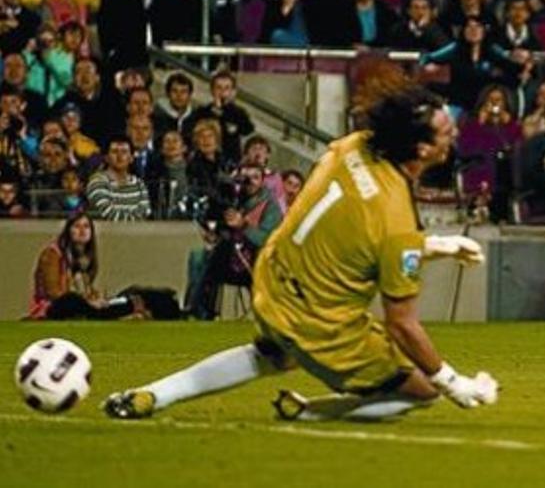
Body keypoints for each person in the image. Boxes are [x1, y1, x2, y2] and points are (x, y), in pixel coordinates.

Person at [105, 86, 497, 422]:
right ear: (423, 148)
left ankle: (154, 393)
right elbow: (402, 325)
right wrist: (451, 381)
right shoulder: (396, 217)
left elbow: (355, 231)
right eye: (446, 130)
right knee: (422, 389)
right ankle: (311, 411)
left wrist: (432, 245)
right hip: (319, 324)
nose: (455, 132)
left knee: (270, 355)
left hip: (274, 280)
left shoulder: (352, 146)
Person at [184, 161, 283, 319]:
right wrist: (215, 233)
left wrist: (243, 225)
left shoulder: (271, 206)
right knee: (197, 256)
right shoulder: (234, 199)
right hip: (229, 257)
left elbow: (267, 240)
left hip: (254, 262)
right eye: (245, 177)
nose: (249, 182)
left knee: (215, 255)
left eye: (255, 177)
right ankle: (196, 308)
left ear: (263, 180)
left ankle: (196, 307)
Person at [27, 213, 144, 320]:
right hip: (53, 307)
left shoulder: (84, 258)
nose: (82, 231)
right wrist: (87, 302)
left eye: (86, 226)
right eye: (77, 226)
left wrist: (97, 299)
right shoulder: (53, 253)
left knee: (127, 296)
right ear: (68, 231)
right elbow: (53, 293)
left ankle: (121, 309)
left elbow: (87, 291)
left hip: (82, 305)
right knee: (71, 300)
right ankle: (113, 313)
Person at [86, 135, 152, 222]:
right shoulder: (97, 181)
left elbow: (145, 212)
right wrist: (133, 218)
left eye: (124, 152)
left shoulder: (139, 183)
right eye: (114, 151)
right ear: (106, 158)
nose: (119, 156)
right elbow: (106, 213)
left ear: (131, 158)